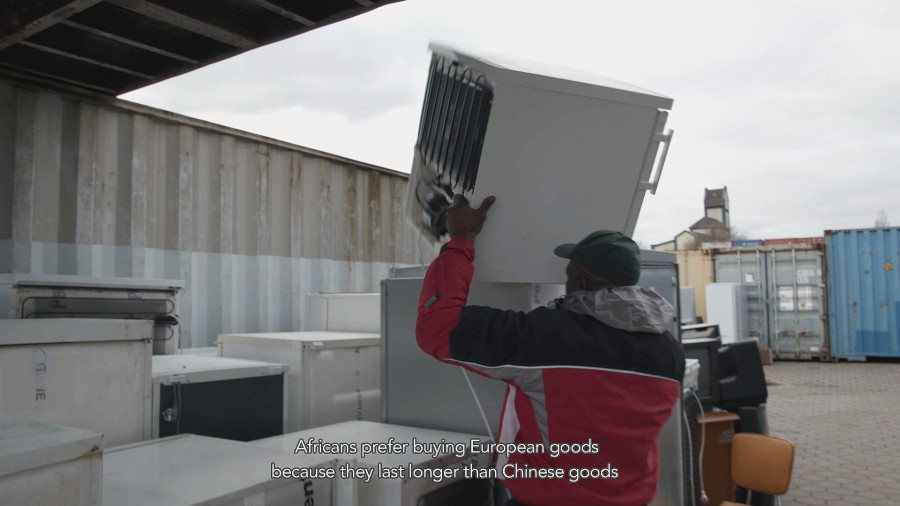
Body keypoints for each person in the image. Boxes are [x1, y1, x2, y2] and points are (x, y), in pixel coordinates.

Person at [415, 195, 685, 506]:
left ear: (580, 280)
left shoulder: (550, 338)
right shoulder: (670, 353)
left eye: (567, 273)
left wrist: (461, 241)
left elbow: (437, 327)